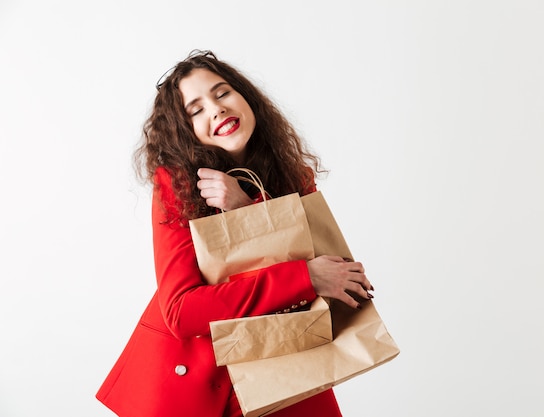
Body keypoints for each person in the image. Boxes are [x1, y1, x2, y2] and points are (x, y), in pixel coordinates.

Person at [96, 50, 374, 417]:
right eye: (195, 110)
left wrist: (247, 209)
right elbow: (181, 311)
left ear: (246, 96)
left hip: (288, 370)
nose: (215, 109)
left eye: (222, 92)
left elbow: (334, 274)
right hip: (203, 384)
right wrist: (305, 276)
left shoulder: (295, 176)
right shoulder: (177, 184)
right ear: (186, 130)